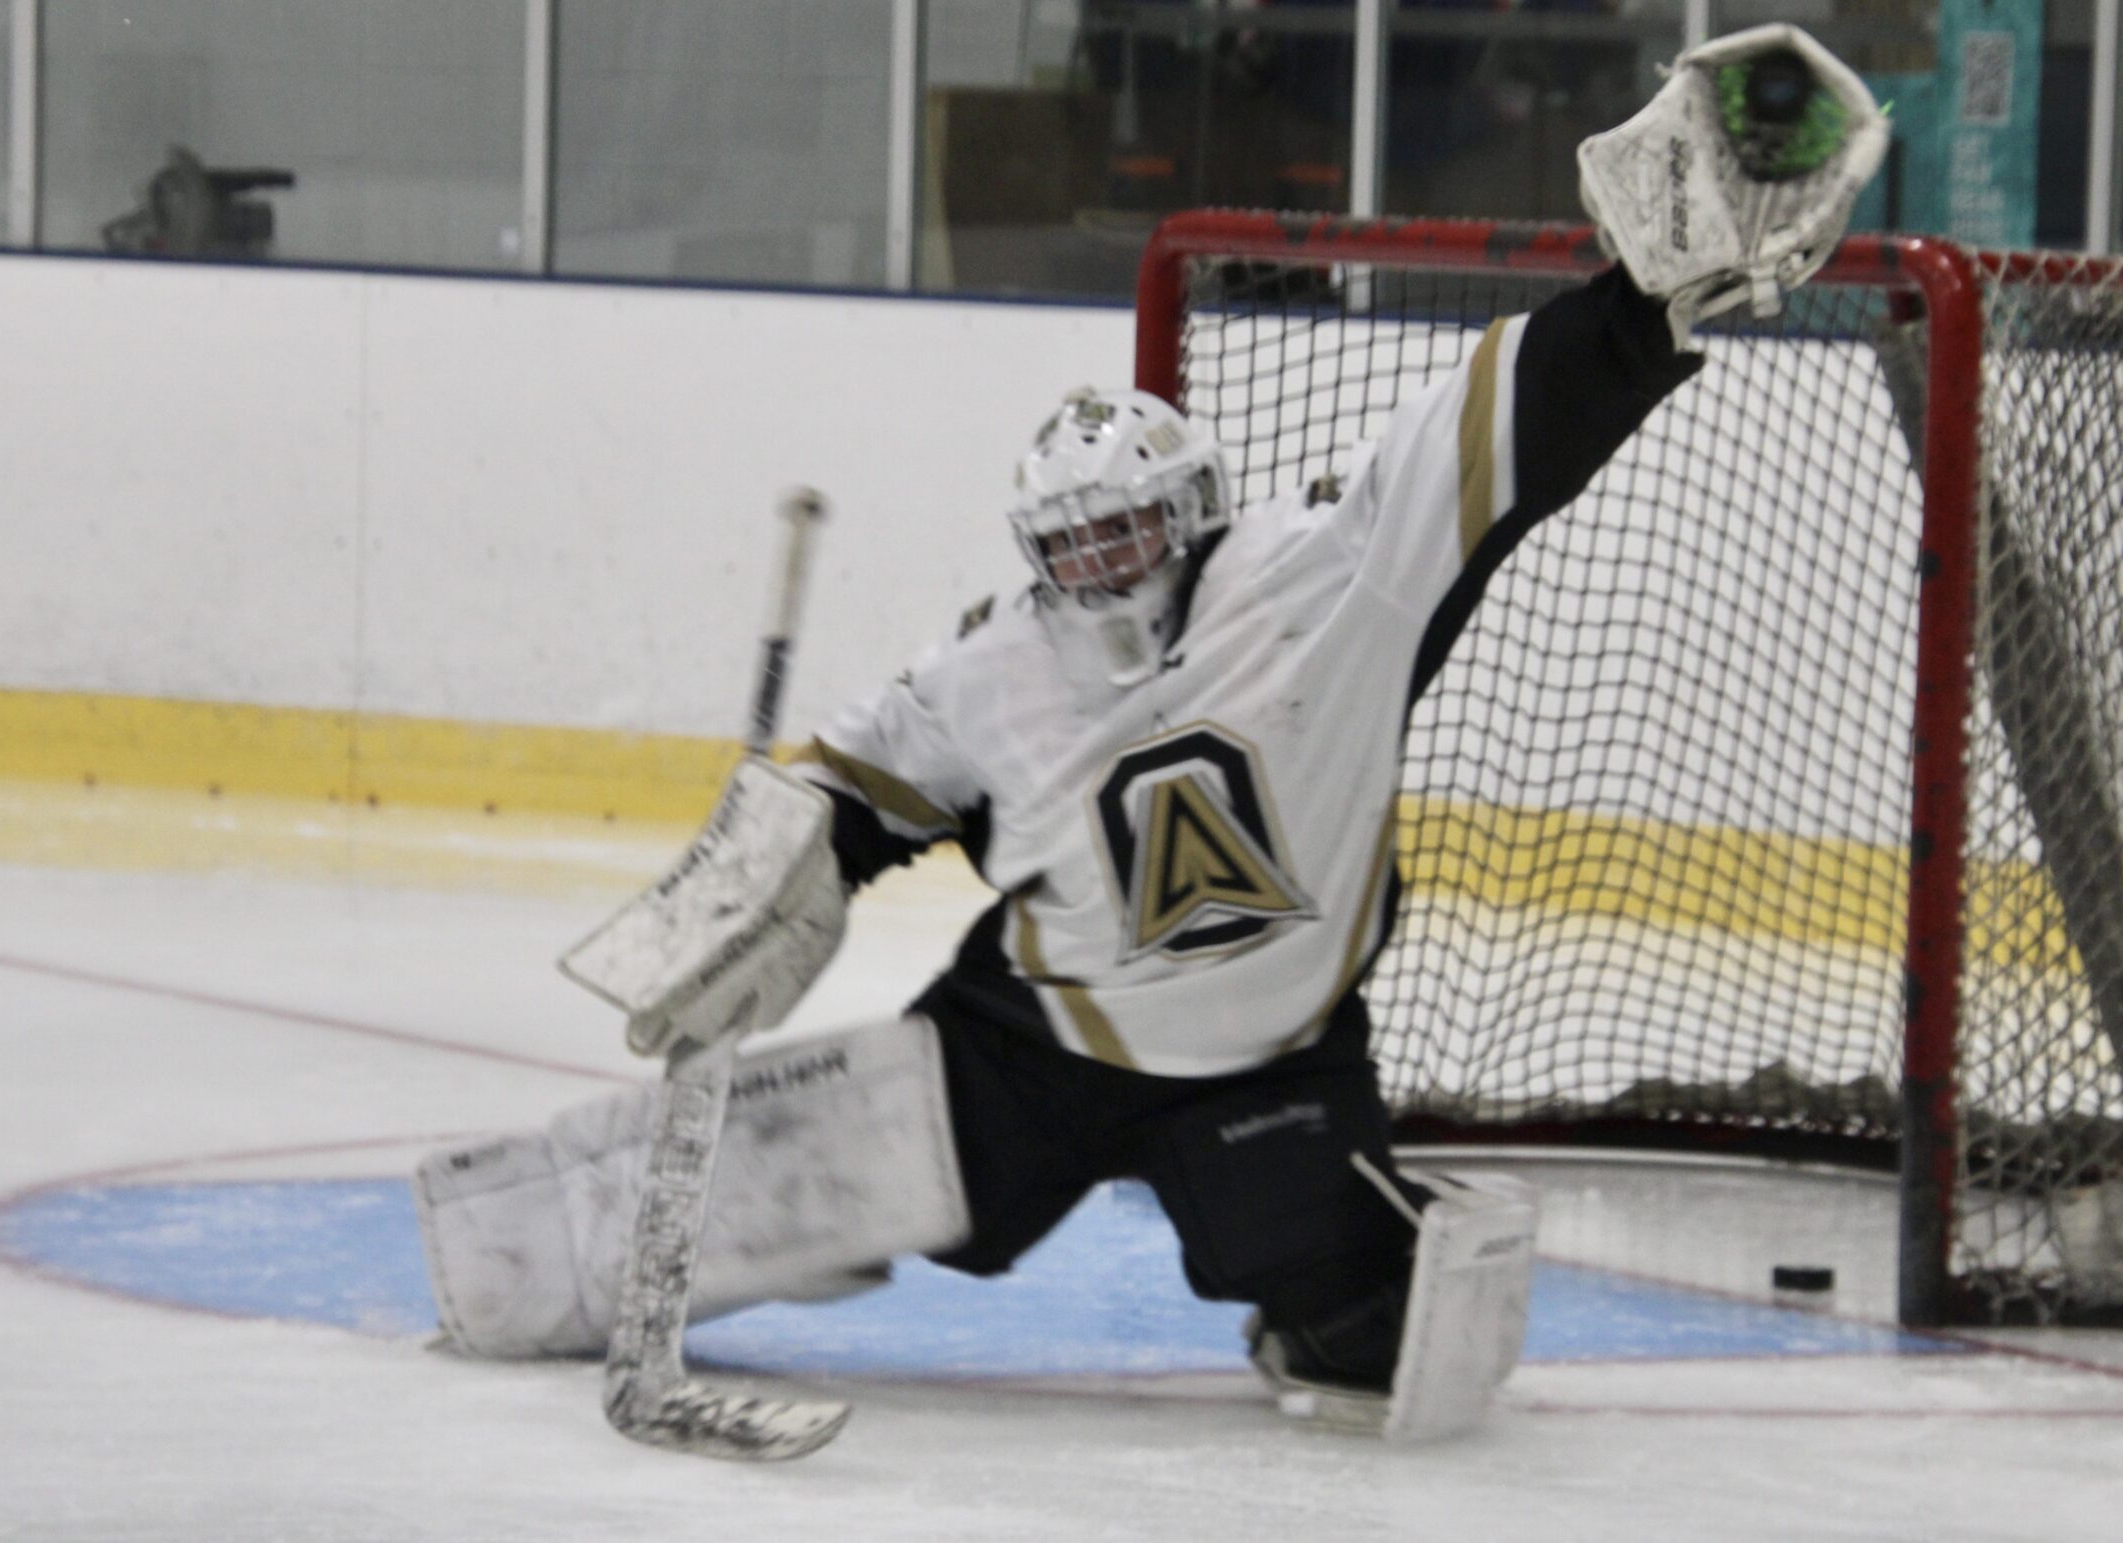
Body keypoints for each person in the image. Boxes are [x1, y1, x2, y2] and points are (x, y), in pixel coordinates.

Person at [414, 24, 1887, 1441]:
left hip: (1274, 1067)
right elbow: (860, 791)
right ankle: (522, 1255)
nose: (1102, 566)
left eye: (1129, 530)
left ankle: (1303, 1299)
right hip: (1034, 1051)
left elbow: (1499, 422)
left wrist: (1638, 293)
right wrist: (762, 883)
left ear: (1192, 513)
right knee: (740, 1195)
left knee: (1398, 1356)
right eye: (1073, 544)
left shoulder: (1326, 578)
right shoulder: (996, 665)